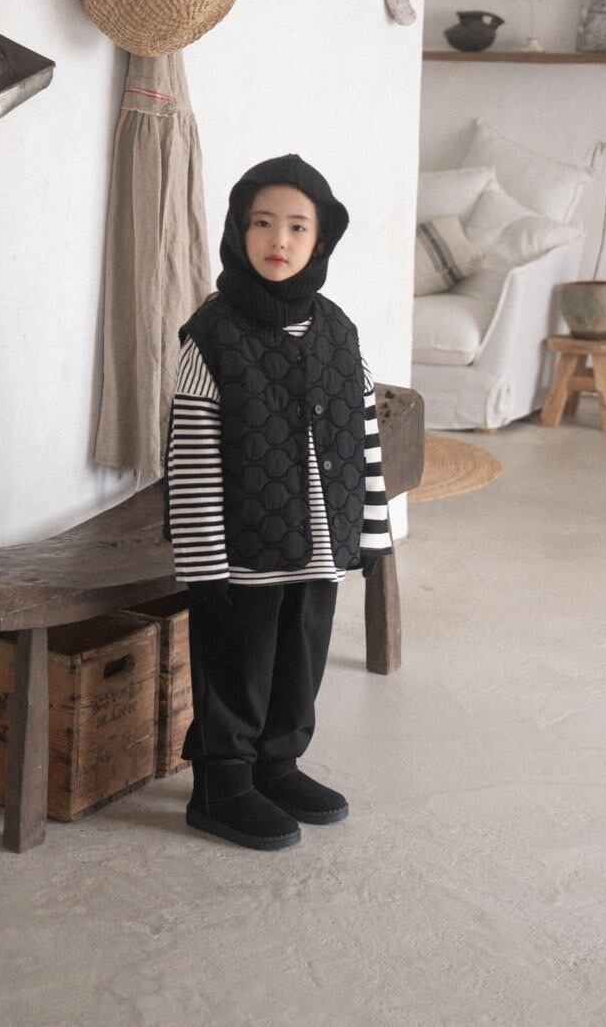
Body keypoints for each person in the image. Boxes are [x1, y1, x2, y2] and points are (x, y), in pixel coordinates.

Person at [163, 154, 393, 851]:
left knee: (301, 663)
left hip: (319, 547)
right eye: (262, 223)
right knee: (237, 667)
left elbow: (363, 433)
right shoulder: (213, 336)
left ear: (320, 240)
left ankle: (277, 764)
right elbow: (192, 456)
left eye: (297, 227)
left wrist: (370, 535)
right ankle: (222, 781)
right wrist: (203, 562)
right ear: (239, 231)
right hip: (240, 553)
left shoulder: (338, 331)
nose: (278, 240)